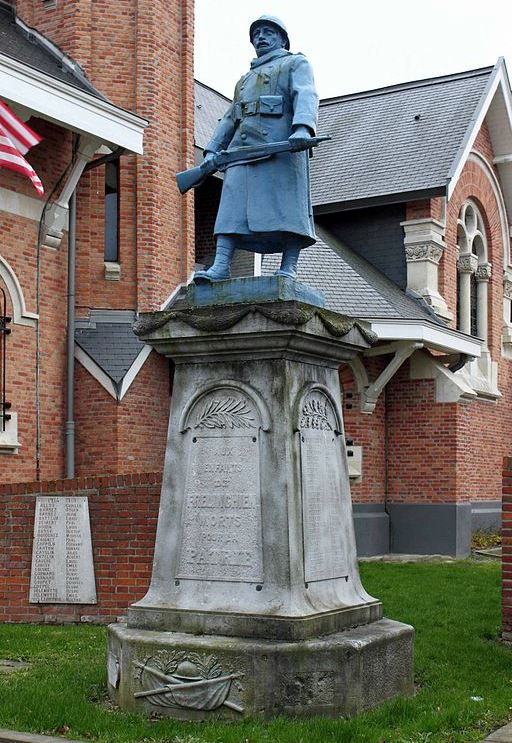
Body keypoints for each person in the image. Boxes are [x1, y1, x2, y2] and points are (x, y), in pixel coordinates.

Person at [193, 15, 319, 283]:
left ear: (282, 39)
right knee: (231, 205)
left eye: (268, 32)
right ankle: (221, 266)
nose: (260, 37)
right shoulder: (244, 80)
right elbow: (230, 116)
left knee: (288, 208)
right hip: (242, 149)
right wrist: (212, 150)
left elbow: (306, 94)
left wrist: (303, 129)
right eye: (256, 33)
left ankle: (289, 268)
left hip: (281, 147)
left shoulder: (295, 63)